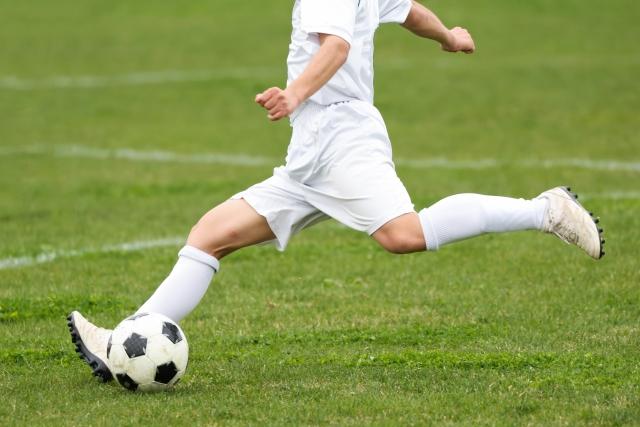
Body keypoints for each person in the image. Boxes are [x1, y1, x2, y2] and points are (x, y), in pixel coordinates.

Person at [67, 0, 604, 383]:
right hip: (313, 149)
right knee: (210, 235)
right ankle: (121, 343)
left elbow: (339, 46)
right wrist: (448, 36)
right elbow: (408, 11)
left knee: (403, 234)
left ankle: (546, 210)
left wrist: (294, 94)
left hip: (338, 137)